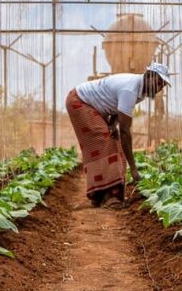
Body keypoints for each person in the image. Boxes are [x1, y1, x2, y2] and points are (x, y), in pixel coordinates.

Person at [66, 62, 172, 208]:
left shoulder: (140, 90)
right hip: (79, 102)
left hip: (91, 105)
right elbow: (125, 132)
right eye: (158, 81)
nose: (159, 87)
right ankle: (109, 197)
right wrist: (134, 170)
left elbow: (117, 107)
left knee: (113, 143)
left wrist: (112, 124)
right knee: (107, 144)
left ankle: (100, 196)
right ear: (148, 76)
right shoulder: (130, 89)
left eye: (163, 85)